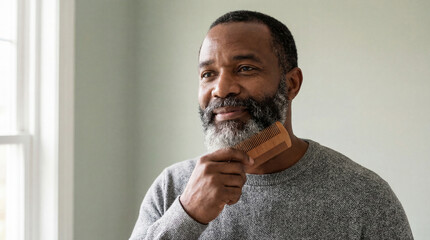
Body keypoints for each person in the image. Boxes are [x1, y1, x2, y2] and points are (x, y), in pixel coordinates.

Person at [130, 10, 413, 240]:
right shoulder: (172, 187)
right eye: (208, 74)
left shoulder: (363, 196)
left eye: (245, 69)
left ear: (291, 83)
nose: (222, 89)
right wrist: (188, 215)